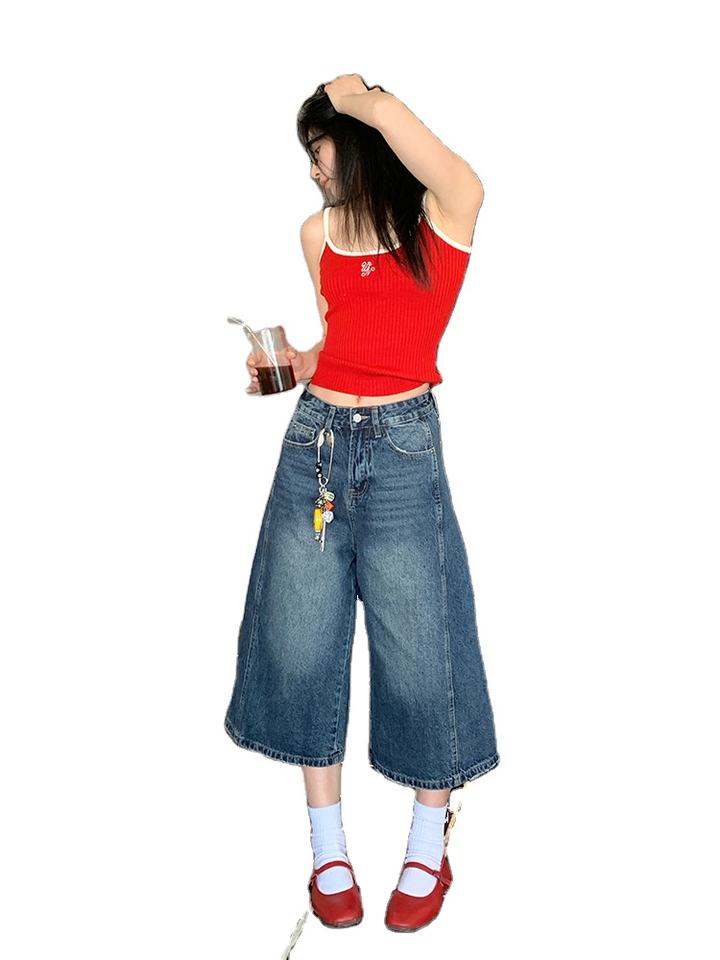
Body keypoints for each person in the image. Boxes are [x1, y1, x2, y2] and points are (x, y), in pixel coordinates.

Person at [224, 74, 499, 933]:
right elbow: (344, 337)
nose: (312, 170)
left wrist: (365, 99)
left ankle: (426, 843)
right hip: (314, 445)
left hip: (404, 449)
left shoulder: (439, 219)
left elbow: (467, 179)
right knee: (303, 639)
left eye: (319, 150)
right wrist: (296, 362)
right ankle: (327, 850)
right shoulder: (317, 234)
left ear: (358, 137)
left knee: (422, 644)